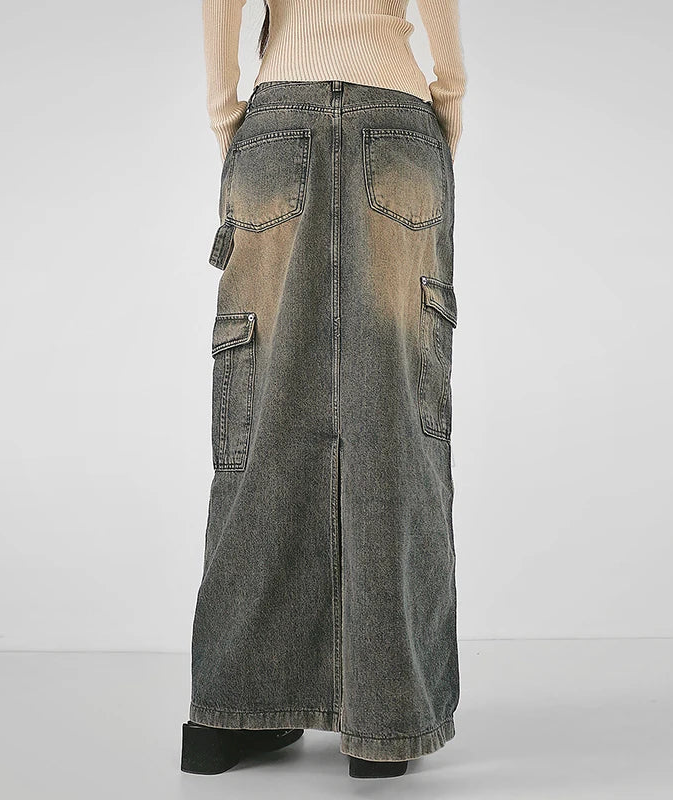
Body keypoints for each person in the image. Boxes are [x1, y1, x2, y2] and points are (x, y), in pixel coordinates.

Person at [181, 0, 467, 780]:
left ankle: (230, 714)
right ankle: (383, 725)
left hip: (276, 126)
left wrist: (228, 118)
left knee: (262, 415)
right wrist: (447, 103)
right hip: (399, 120)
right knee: (395, 419)